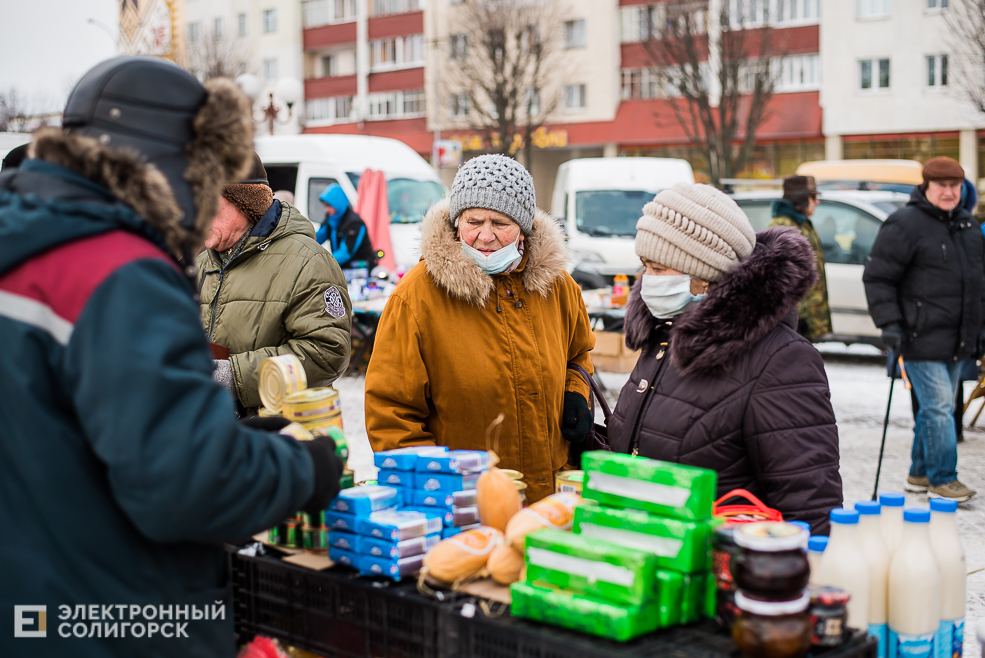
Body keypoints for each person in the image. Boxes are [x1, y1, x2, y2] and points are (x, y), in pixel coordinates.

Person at [0, 57, 343, 658]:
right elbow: (185, 488)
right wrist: (301, 471)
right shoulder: (120, 270)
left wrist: (234, 440)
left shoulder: (25, 245)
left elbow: (81, 434)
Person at [607, 183, 843, 533]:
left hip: (724, 571)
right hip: (653, 562)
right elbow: (655, 444)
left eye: (658, 268)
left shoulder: (781, 361)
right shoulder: (664, 335)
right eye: (644, 266)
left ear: (705, 276)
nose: (645, 282)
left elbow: (810, 504)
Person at [364, 155, 595, 503]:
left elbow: (578, 352)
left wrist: (576, 390)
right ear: (457, 223)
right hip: (466, 505)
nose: (485, 236)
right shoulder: (416, 297)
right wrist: (436, 490)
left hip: (551, 500)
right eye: (474, 221)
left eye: (500, 222)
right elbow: (391, 413)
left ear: (523, 228)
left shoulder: (558, 286)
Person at [863, 156, 983, 502]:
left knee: (938, 408)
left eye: (955, 186)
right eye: (942, 185)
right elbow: (878, 277)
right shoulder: (904, 223)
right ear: (926, 186)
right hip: (918, 336)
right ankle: (943, 479)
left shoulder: (968, 227)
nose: (949, 192)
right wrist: (889, 324)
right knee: (941, 406)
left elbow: (979, 284)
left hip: (958, 338)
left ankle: (919, 473)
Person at [196, 153, 352, 414]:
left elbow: (327, 353)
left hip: (274, 440)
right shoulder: (202, 263)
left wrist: (232, 376)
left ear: (244, 201)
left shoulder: (308, 261)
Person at [769, 175, 832, 341]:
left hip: (802, 321)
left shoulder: (802, 223)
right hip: (794, 321)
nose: (816, 202)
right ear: (801, 198)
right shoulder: (784, 226)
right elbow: (780, 278)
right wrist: (798, 315)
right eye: (813, 197)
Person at [315, 182, 377, 269]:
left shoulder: (355, 223)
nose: (326, 210)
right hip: (342, 267)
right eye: (325, 206)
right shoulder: (331, 218)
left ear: (337, 203)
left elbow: (346, 252)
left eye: (329, 206)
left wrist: (323, 262)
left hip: (359, 268)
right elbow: (318, 237)